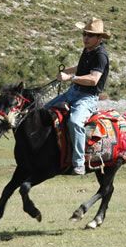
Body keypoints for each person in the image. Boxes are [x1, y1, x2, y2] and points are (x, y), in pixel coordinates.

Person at [45, 17, 111, 175]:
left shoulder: (101, 55)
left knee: (75, 122)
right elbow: (81, 68)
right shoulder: (87, 50)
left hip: (87, 98)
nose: (85, 38)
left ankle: (79, 162)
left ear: (99, 38)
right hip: (73, 92)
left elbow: (94, 79)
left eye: (90, 35)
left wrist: (71, 78)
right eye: (84, 34)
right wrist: (68, 71)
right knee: (44, 111)